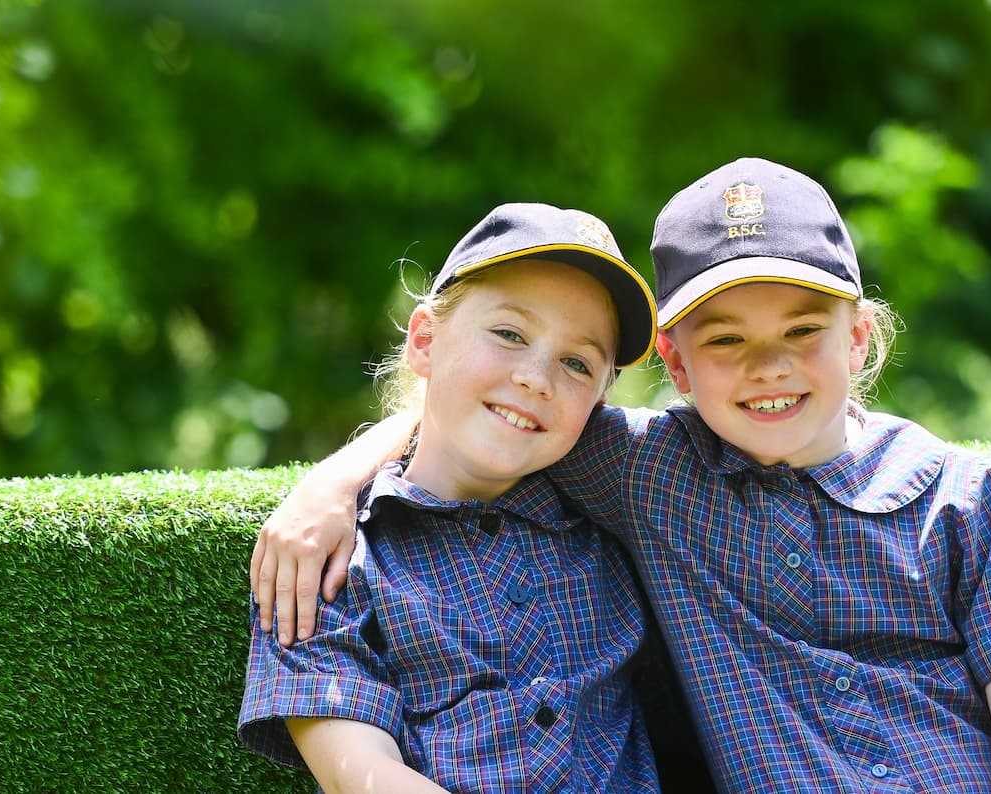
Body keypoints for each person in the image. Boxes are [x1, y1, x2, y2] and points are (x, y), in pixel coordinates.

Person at [251, 158, 991, 792]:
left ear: (860, 337)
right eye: (726, 339)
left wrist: (330, 475)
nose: (769, 366)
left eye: (803, 329)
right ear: (676, 366)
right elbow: (486, 417)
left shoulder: (961, 493)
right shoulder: (651, 474)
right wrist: (330, 486)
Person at [238, 203, 691, 792]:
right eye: (508, 334)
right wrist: (334, 485)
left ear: (600, 404)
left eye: (577, 363)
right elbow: (362, 774)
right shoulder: (331, 562)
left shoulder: (615, 511)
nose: (536, 377)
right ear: (424, 340)